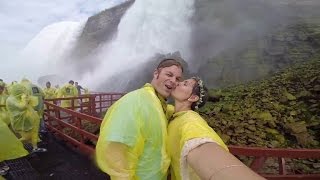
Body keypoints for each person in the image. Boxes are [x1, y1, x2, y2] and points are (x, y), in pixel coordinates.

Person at [95, 59, 183, 180]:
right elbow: (116, 148)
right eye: (169, 74)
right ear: (156, 73)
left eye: (178, 79)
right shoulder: (135, 101)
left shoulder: (159, 105)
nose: (173, 81)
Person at [168, 77, 264, 180]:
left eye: (185, 84)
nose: (178, 83)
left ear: (193, 97)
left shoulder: (191, 121)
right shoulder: (174, 114)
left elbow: (200, 146)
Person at [6, 84, 46, 153]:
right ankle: (12, 146)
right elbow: (22, 107)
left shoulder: (17, 97)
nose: (23, 92)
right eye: (22, 91)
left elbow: (33, 103)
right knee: (27, 137)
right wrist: (24, 99)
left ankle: (35, 148)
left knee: (34, 133)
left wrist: (28, 99)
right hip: (20, 121)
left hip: (29, 119)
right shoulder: (10, 99)